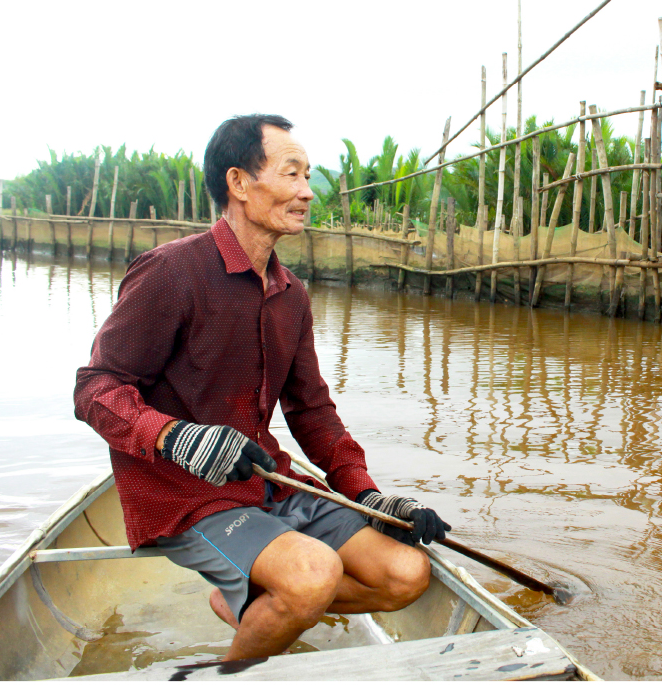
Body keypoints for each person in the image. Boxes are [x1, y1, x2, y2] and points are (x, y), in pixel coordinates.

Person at [74, 114, 450, 661]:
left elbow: (312, 411)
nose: (306, 192)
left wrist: (366, 493)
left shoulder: (290, 293)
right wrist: (179, 437)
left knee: (406, 573)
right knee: (312, 573)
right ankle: (233, 669)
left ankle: (250, 602)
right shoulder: (171, 273)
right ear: (239, 183)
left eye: (308, 177)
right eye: (292, 174)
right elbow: (95, 388)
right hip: (183, 494)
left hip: (267, 480)